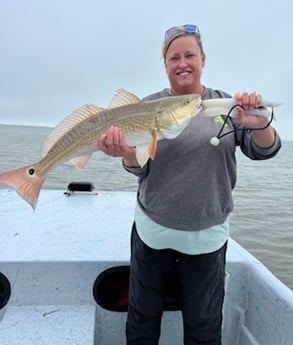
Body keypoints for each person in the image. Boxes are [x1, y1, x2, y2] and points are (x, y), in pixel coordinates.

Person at [97, 24, 281, 345]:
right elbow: (139, 168)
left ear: (203, 60)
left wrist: (260, 121)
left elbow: (262, 149)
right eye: (174, 57)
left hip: (207, 240)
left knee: (204, 327)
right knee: (142, 319)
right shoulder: (147, 107)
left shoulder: (225, 104)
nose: (182, 63)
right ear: (165, 65)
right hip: (153, 234)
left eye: (189, 55)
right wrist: (126, 154)